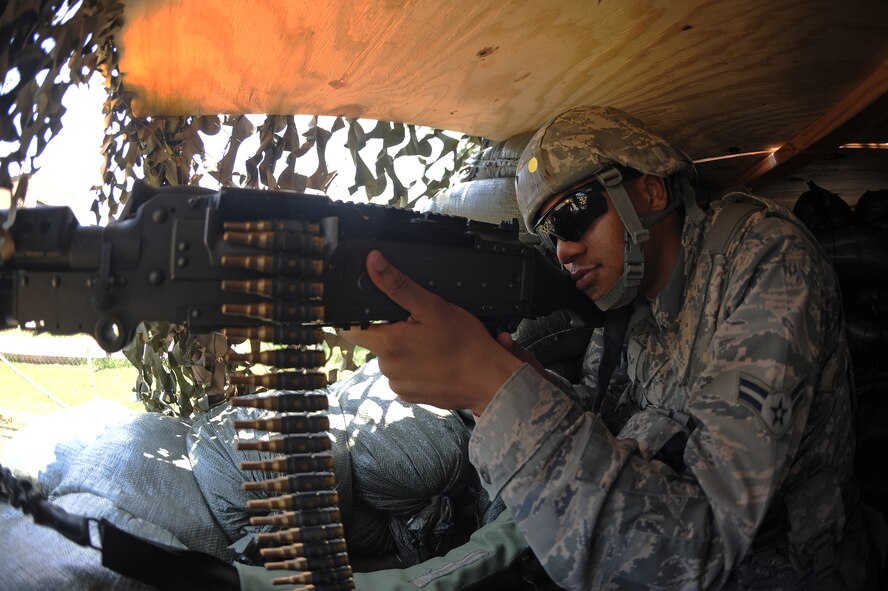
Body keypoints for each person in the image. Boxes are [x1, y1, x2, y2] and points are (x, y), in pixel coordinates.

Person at [341, 105, 880, 589]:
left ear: (650, 191)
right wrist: (517, 383)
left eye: (574, 213)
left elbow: (705, 543)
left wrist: (496, 389)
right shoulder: (633, 307)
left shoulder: (766, 262)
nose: (566, 247)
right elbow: (602, 431)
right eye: (550, 232)